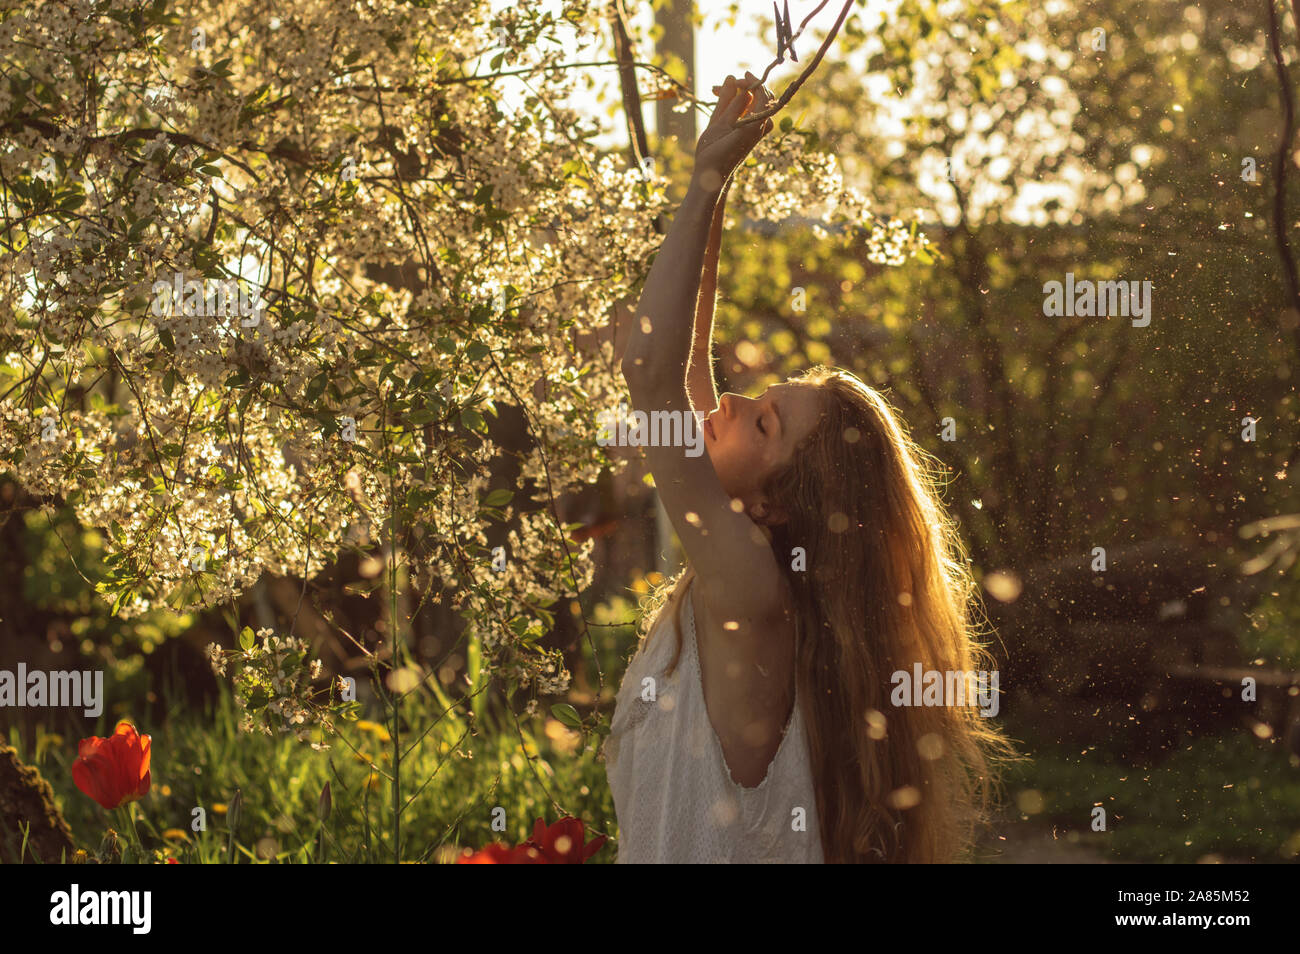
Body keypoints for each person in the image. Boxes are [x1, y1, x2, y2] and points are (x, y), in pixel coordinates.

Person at [602, 71, 1017, 863]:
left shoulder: (749, 595)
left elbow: (651, 373)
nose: (725, 403)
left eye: (760, 420)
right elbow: (685, 360)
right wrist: (721, 176)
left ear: (779, 506)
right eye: (759, 397)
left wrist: (703, 180)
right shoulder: (751, 578)